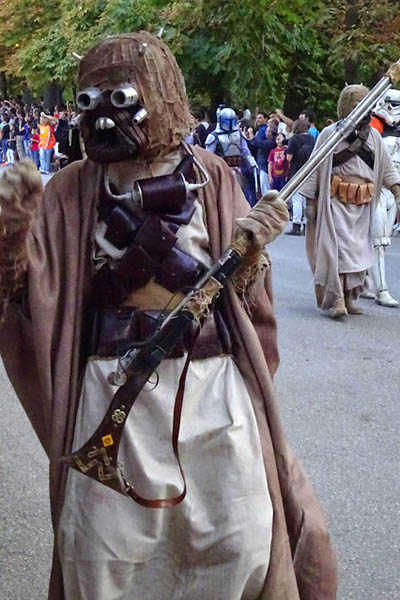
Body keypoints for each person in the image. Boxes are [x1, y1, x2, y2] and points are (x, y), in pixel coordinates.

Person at [0, 32, 337, 600]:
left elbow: (244, 295)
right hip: (111, 388)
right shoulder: (70, 192)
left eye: (121, 98)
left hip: (212, 389)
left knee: (239, 539)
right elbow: (24, 300)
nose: (103, 115)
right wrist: (10, 239)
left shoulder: (212, 175)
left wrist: (253, 251)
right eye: (91, 100)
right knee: (101, 551)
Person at [301, 84, 400, 318]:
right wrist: (310, 204)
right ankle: (336, 300)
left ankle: (349, 298)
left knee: (357, 254)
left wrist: (396, 190)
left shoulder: (374, 137)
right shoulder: (329, 134)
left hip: (362, 206)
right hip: (335, 203)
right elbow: (314, 168)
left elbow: (386, 168)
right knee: (336, 252)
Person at [365, 89, 400, 307]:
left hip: (393, 190)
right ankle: (381, 289)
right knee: (377, 241)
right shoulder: (372, 128)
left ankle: (365, 281)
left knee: (382, 242)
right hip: (375, 187)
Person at [285, 118, 316, 235]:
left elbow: (289, 158)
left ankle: (296, 224)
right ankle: (306, 225)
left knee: (296, 198)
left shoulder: (294, 139)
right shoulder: (311, 139)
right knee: (306, 199)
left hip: (296, 170)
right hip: (309, 170)